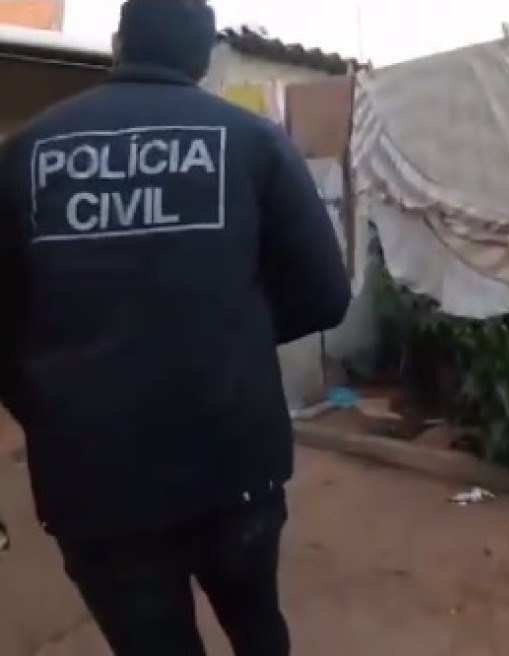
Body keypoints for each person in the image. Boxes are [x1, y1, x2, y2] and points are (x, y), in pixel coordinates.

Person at [0, 0, 350, 653]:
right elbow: (326, 297)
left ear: (118, 44)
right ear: (204, 57)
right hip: (233, 460)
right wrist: (232, 335)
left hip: (92, 478)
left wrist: (46, 403)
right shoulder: (254, 142)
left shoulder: (20, 155)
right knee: (256, 625)